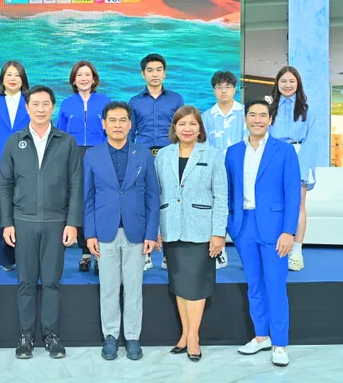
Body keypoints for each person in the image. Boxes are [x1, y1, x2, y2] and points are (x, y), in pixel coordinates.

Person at [0, 85, 82, 360]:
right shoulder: (14, 141)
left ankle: (51, 335)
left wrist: (72, 223)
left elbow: (75, 184)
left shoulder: (66, 142)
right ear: (27, 107)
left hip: (56, 222)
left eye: (46, 104)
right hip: (22, 221)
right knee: (25, 282)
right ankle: (25, 336)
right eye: (35, 104)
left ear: (53, 107)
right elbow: (5, 185)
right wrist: (7, 223)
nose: (40, 109)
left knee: (51, 282)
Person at [225, 99, 301, 367]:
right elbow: (229, 191)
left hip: (275, 228)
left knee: (275, 286)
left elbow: (293, 194)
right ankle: (261, 337)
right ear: (245, 118)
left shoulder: (285, 150)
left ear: (270, 119)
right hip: (243, 226)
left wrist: (289, 231)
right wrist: (231, 225)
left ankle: (279, 344)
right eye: (252, 115)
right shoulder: (233, 152)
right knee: (254, 284)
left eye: (262, 115)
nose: (257, 120)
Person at [83, 101, 159, 361]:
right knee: (109, 287)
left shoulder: (143, 154)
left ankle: (133, 337)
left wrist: (151, 234)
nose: (118, 125)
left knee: (134, 287)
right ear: (104, 124)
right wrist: (89, 234)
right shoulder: (92, 155)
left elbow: (152, 197)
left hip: (136, 230)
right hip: (104, 230)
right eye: (112, 120)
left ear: (130, 124)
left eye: (122, 120)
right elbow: (88, 197)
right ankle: (111, 336)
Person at [155, 105, 227, 362]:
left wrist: (218, 233)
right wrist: (156, 230)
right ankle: (185, 335)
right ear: (174, 128)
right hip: (171, 228)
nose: (187, 128)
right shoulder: (163, 155)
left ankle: (194, 337)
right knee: (179, 285)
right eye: (182, 123)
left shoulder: (213, 155)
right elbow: (157, 194)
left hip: (201, 231)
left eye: (192, 124)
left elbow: (221, 196)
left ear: (200, 129)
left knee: (195, 287)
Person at [128, 53, 184, 271]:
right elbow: (130, 134)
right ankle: (146, 254)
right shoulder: (134, 101)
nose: (155, 74)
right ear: (143, 74)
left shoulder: (176, 99)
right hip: (143, 156)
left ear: (165, 73)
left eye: (159, 70)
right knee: (144, 202)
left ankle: (169, 253)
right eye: (150, 70)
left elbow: (182, 130)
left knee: (169, 202)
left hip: (169, 154)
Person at [57, 61, 110, 275]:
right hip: (74, 154)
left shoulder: (105, 101)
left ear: (94, 79)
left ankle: (99, 252)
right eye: (79, 75)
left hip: (100, 153)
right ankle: (85, 252)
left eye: (88, 74)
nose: (84, 78)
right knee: (78, 201)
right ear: (73, 80)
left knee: (99, 201)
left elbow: (111, 130)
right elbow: (60, 134)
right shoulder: (66, 104)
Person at [0, 61, 30, 272]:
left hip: (26, 161)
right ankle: (5, 259)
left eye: (17, 75)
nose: (12, 79)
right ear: (2, 79)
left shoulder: (30, 101)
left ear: (23, 80)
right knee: (2, 209)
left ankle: (25, 255)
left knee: (24, 208)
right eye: (9, 74)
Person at [269, 66, 314, 271]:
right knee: (274, 205)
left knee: (298, 206)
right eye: (283, 81)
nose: (287, 85)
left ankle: (296, 252)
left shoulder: (307, 109)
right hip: (274, 157)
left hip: (299, 156)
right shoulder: (270, 108)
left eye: (291, 81)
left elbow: (311, 142)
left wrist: (302, 170)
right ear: (277, 84)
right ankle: (276, 249)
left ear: (298, 84)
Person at [201, 71, 246, 270]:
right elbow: (204, 146)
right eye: (219, 87)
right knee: (217, 208)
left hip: (241, 170)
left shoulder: (245, 114)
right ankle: (220, 251)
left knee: (241, 209)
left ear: (234, 89)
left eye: (228, 87)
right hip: (215, 170)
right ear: (214, 90)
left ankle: (246, 252)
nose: (224, 91)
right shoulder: (206, 116)